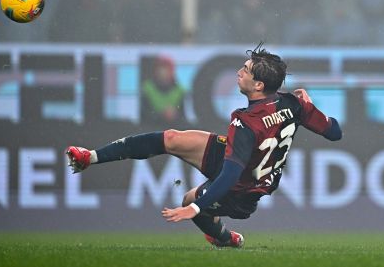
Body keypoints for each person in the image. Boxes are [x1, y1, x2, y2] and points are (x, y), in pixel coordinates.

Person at [66, 43, 342, 248]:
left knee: (189, 199)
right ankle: (89, 157)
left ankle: (224, 238)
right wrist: (310, 106)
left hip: (243, 189)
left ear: (259, 85)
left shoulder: (245, 123)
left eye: (245, 71)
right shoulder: (294, 104)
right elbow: (335, 133)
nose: (238, 72)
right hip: (251, 161)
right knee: (173, 138)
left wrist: (195, 208)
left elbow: (230, 175)